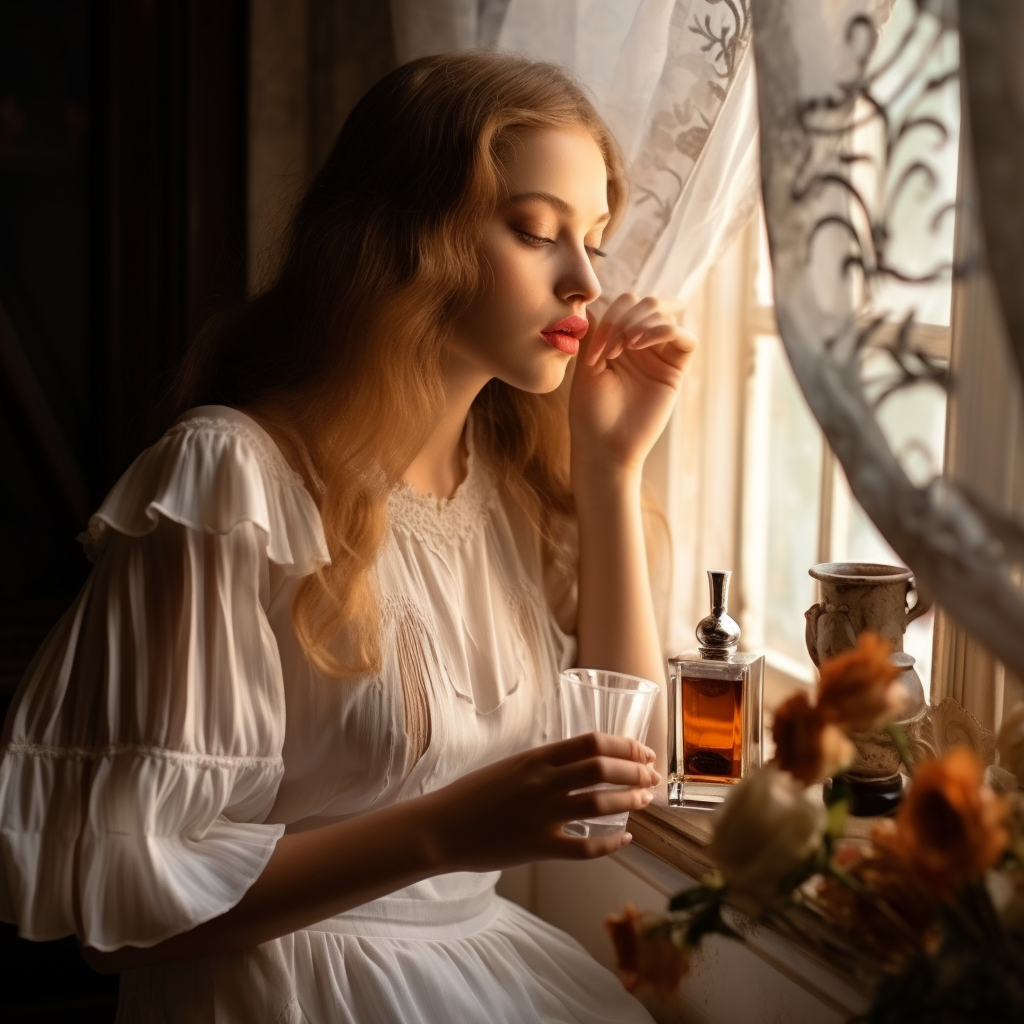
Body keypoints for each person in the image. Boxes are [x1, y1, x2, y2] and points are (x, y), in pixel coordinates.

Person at [0, 50, 694, 1023]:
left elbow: (610, 784)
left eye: (595, 239)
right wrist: (443, 832)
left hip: (484, 978)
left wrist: (611, 467)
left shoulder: (512, 497)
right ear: (410, 238)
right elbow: (130, 915)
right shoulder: (230, 480)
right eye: (537, 232)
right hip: (280, 993)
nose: (584, 279)